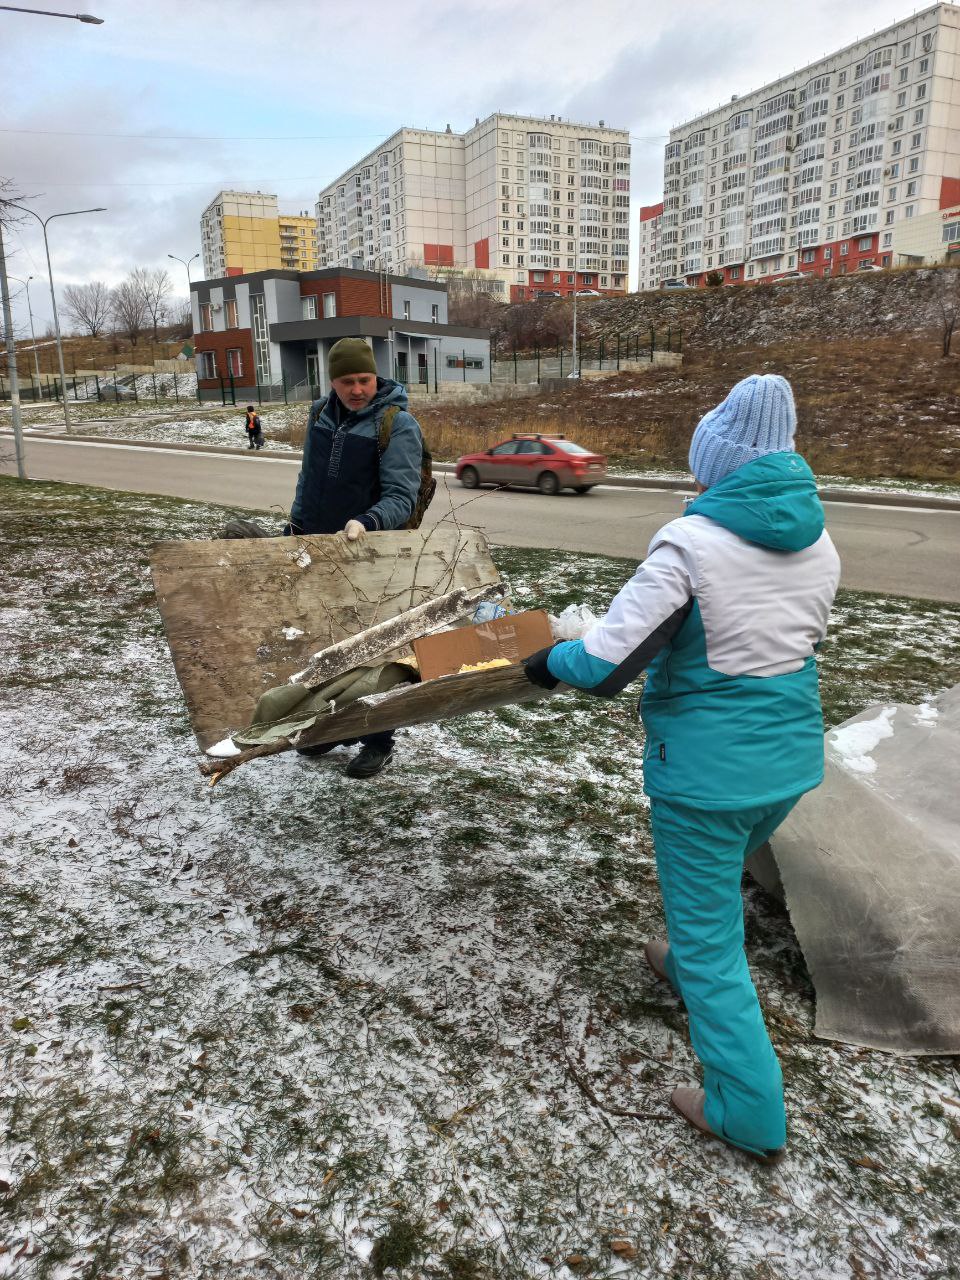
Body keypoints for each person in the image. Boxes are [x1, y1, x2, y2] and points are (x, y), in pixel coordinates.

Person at [524, 374, 841, 1164]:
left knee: (713, 948)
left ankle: (748, 1110)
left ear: (718, 463)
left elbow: (604, 664)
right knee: (716, 881)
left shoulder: (691, 543)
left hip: (706, 777)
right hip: (789, 762)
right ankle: (685, 950)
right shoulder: (817, 538)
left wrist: (544, 662)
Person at [287, 336, 425, 779]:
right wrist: (294, 528)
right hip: (319, 548)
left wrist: (367, 520)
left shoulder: (396, 423)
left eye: (364, 379)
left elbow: (402, 497)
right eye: (347, 381)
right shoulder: (319, 415)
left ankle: (378, 739)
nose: (357, 389)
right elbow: (308, 478)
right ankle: (328, 727)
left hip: (369, 556)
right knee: (320, 648)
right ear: (333, 381)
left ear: (375, 376)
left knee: (367, 657)